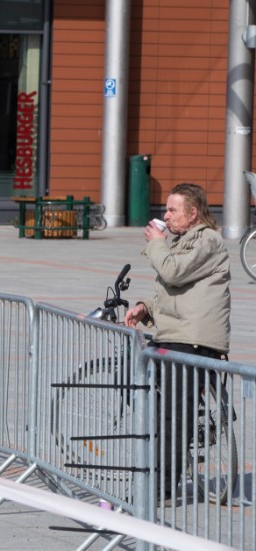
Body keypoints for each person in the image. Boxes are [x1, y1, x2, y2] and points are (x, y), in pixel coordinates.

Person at [123, 182, 231, 501]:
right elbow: (169, 293)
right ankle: (157, 477)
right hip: (176, 332)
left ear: (193, 213)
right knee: (161, 411)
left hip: (193, 338)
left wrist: (156, 243)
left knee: (173, 416)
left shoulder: (208, 241)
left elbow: (172, 273)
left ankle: (162, 486)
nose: (166, 216)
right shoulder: (183, 241)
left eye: (172, 210)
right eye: (165, 210)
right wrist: (145, 307)